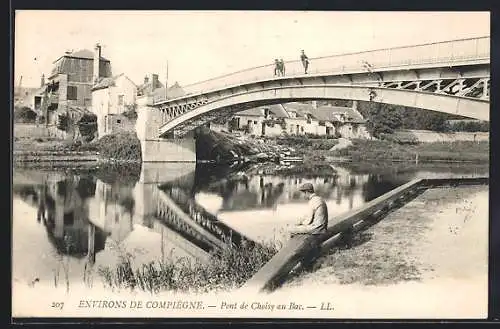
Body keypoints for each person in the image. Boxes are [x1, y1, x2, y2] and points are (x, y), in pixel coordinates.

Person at [289, 183, 328, 270]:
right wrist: (300, 222)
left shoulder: (312, 202)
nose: (303, 195)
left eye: (303, 193)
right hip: (322, 227)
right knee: (297, 229)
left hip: (317, 229)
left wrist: (297, 226)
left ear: (307, 192)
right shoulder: (319, 199)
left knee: (291, 229)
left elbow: (308, 221)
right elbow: (308, 217)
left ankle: (291, 252)